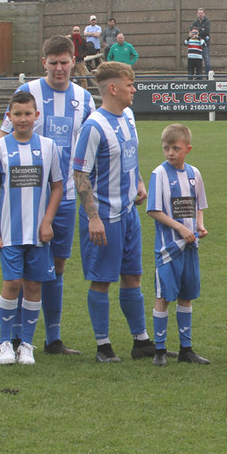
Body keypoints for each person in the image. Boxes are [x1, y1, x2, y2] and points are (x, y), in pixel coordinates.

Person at [0, 35, 95, 356]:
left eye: (64, 62)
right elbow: (4, 138)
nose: (58, 68)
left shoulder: (83, 97)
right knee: (22, 269)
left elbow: (95, 144)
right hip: (27, 198)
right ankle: (14, 337)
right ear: (44, 63)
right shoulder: (29, 94)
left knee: (57, 266)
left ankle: (52, 338)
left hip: (66, 195)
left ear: (73, 61)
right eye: (52, 63)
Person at [72, 61, 153, 363]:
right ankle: (103, 345)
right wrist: (93, 217)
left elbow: (130, 156)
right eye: (129, 84)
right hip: (104, 216)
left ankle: (141, 340)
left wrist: (140, 182)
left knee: (133, 275)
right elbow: (80, 174)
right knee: (102, 279)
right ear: (113, 88)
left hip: (129, 212)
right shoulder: (93, 127)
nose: (134, 89)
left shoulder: (128, 116)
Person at [0, 92, 63, 365]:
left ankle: (27, 344)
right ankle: (5, 342)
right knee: (12, 284)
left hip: (39, 234)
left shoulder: (49, 146)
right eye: (17, 114)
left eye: (27, 114)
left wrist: (47, 221)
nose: (22, 119)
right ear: (9, 117)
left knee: (33, 286)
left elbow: (57, 186)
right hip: (9, 231)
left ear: (36, 116)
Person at [146, 124, 211, 366]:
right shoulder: (159, 174)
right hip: (168, 249)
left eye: (175, 148)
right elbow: (153, 210)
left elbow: (198, 206)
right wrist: (180, 228)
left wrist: (199, 226)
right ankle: (160, 350)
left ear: (188, 149)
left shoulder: (194, 173)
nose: (170, 153)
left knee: (187, 296)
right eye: (166, 148)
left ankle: (186, 349)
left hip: (190, 247)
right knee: (163, 296)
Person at [191, 9, 211, 74]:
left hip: (205, 44)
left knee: (206, 59)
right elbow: (192, 30)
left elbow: (206, 31)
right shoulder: (195, 22)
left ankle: (208, 75)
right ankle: (198, 75)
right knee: (198, 60)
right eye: (199, 13)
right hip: (197, 44)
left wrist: (197, 31)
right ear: (197, 14)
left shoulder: (207, 21)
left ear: (203, 14)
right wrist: (201, 29)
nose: (200, 14)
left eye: (201, 13)